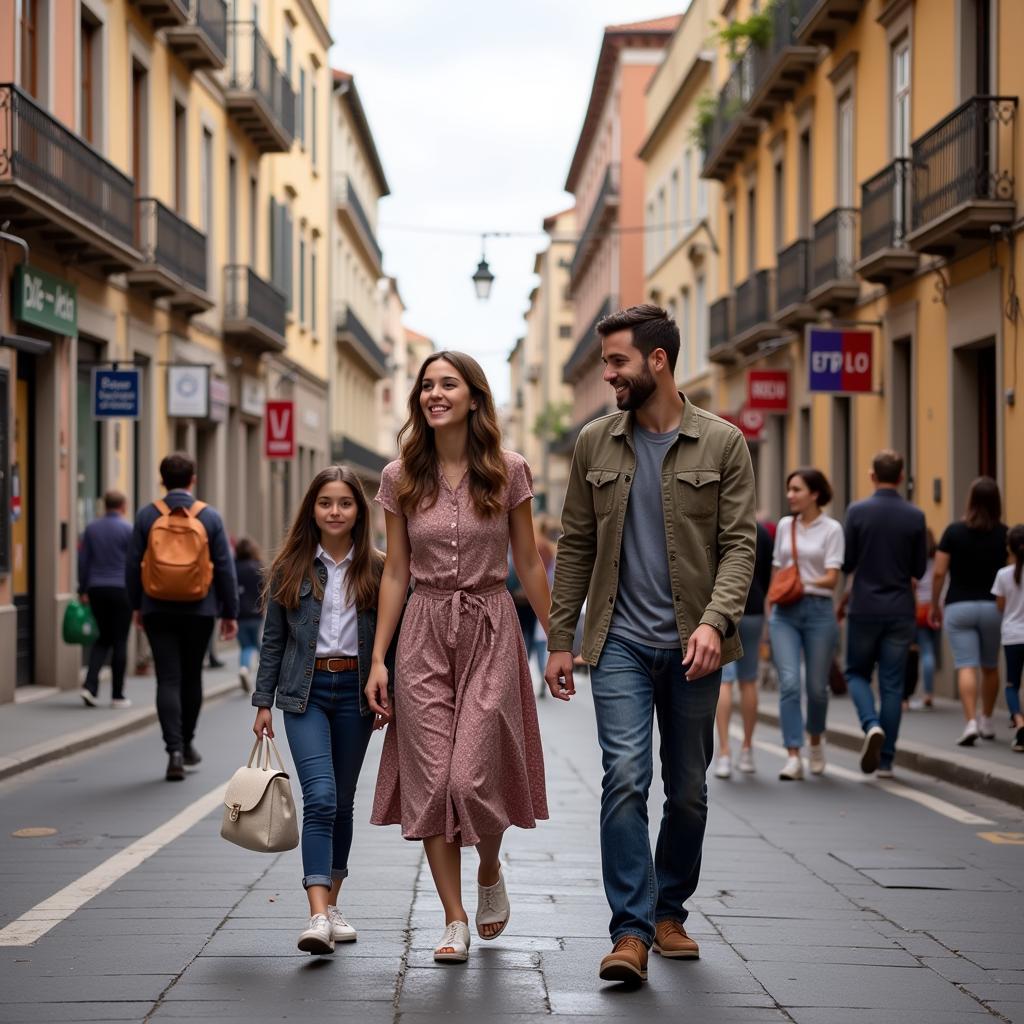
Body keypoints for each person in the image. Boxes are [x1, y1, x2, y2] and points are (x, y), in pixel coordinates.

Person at [543, 304, 755, 987]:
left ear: (656, 361)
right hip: (620, 644)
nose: (608, 374)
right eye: (606, 362)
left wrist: (714, 622)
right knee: (626, 778)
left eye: (617, 362)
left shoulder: (723, 443)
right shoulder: (595, 443)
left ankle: (670, 912)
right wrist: (559, 639)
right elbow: (575, 544)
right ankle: (630, 931)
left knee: (688, 791)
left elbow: (738, 546)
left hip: (697, 645)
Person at [365, 351, 550, 965]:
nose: (434, 394)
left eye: (448, 384)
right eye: (426, 386)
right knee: (430, 778)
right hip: (421, 631)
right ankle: (453, 918)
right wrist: (378, 660)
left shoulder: (509, 470)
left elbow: (528, 562)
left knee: (472, 775)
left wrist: (561, 642)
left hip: (492, 626)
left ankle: (490, 866)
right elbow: (394, 570)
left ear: (474, 396)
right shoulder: (399, 478)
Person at [252, 466, 396, 955]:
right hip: (304, 694)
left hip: (355, 692)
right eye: (325, 503)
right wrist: (263, 702)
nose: (335, 511)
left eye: (345, 503)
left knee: (343, 801)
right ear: (312, 510)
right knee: (321, 797)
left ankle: (332, 904)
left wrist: (388, 690)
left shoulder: (378, 569)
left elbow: (390, 640)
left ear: (360, 511)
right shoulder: (289, 568)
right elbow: (273, 641)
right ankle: (316, 914)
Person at [126, 453, 238, 781]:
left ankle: (173, 748)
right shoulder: (209, 517)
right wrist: (229, 612)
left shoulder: (147, 515)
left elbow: (133, 565)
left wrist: (137, 605)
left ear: (162, 480)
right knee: (192, 677)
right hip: (200, 609)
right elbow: (225, 568)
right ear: (193, 480)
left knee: (168, 679)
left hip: (157, 607)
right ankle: (187, 743)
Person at [838, 451, 927, 778]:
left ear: (872, 476)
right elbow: (919, 568)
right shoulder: (915, 516)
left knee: (856, 673)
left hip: (864, 607)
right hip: (901, 609)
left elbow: (847, 562)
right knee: (892, 684)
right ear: (902, 477)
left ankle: (871, 725)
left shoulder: (857, 512)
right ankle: (887, 760)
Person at [768, 468, 844, 781]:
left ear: (814, 494)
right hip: (784, 612)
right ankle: (793, 755)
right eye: (788, 489)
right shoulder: (786, 526)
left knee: (817, 688)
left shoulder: (832, 529)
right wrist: (771, 606)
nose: (790, 495)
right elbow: (777, 570)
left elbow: (832, 578)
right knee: (788, 683)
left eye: (796, 489)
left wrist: (801, 580)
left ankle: (815, 740)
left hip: (818, 611)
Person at [929, 477, 1008, 746]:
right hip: (993, 608)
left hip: (958, 606)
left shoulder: (953, 532)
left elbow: (939, 572)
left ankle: (970, 721)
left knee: (966, 665)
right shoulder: (1004, 534)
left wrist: (934, 604)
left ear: (970, 501)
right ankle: (987, 719)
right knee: (990, 666)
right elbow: (1011, 575)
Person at [714, 518, 773, 778]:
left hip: (722, 610)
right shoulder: (761, 531)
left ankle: (725, 753)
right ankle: (747, 751)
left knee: (724, 680)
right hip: (754, 609)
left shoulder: (719, 525)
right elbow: (769, 575)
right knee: (749, 680)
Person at [78, 490, 134, 708]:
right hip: (122, 589)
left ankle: (89, 686)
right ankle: (117, 695)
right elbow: (134, 563)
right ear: (123, 506)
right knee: (119, 641)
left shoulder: (91, 529)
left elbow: (84, 562)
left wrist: (83, 589)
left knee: (102, 638)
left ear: (105, 505)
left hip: (97, 588)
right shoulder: (128, 529)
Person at [992, 525, 1024, 752]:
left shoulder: (1003, 575)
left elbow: (1000, 606)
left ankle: (1020, 722)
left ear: (1009, 548)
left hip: (1012, 635)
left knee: (1012, 684)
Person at [908, 529, 940, 709]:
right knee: (931, 652)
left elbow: (912, 585)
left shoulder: (915, 563)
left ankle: (926, 692)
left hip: (919, 610)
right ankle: (929, 692)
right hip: (935, 609)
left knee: (924, 651)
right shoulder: (938, 561)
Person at [235, 537, 264, 693]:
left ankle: (244, 669)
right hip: (256, 613)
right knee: (259, 644)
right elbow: (265, 591)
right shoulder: (258, 567)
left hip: (239, 614)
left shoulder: (233, 567)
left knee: (246, 646)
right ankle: (266, 675)